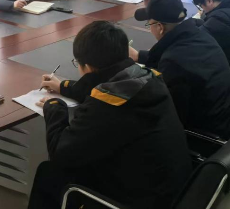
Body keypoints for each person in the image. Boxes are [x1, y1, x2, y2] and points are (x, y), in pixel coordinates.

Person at [28, 21, 191, 209]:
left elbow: (60, 154)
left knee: (50, 173)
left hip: (137, 200)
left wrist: (55, 107)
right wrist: (64, 86)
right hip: (173, 190)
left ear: (87, 67)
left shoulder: (108, 105)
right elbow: (107, 83)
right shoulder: (147, 77)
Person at [129, 0, 230, 139]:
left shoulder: (174, 61)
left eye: (149, 24)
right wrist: (139, 56)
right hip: (228, 123)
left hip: (207, 138)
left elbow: (169, 115)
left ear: (160, 27)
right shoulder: (200, 35)